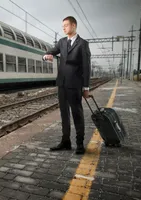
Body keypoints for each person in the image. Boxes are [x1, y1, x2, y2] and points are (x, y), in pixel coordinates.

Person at [42, 16, 91, 154]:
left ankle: (80, 144)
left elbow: (87, 67)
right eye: (62, 26)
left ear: (74, 26)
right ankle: (66, 142)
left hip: (75, 85)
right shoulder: (62, 42)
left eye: (66, 25)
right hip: (62, 84)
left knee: (77, 114)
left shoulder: (83, 44)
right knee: (64, 114)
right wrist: (46, 56)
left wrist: (86, 87)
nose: (63, 28)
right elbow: (51, 51)